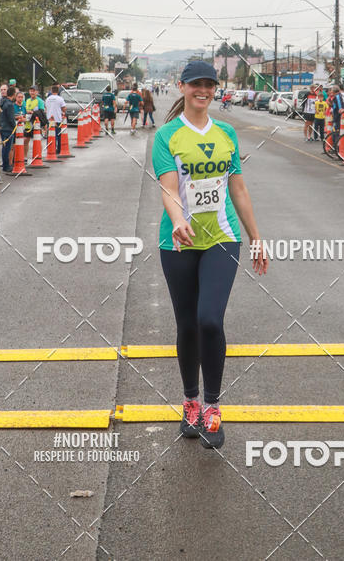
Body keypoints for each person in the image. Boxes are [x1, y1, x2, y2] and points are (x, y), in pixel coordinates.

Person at [152, 61, 267, 449]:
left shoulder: (227, 133)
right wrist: (179, 219)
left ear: (215, 89)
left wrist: (256, 237)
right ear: (182, 87)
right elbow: (169, 189)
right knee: (186, 325)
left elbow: (238, 190)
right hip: (178, 242)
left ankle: (213, 406)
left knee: (210, 321)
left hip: (222, 237)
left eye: (210, 85)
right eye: (196, 84)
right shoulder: (167, 135)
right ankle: (190, 403)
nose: (203, 90)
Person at [24, 86, 46, 159]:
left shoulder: (40, 101)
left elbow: (42, 111)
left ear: (37, 92)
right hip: (28, 123)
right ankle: (25, 157)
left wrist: (33, 112)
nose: (32, 92)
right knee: (26, 140)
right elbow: (25, 110)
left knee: (37, 140)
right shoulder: (27, 100)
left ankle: (39, 155)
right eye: (31, 91)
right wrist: (27, 112)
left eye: (33, 91)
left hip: (36, 124)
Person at [0, 85, 18, 172]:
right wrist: (15, 127)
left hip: (3, 127)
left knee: (4, 148)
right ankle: (7, 166)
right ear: (13, 94)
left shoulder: (3, 102)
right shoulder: (10, 104)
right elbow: (11, 118)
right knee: (7, 148)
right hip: (8, 129)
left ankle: (5, 164)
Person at [45, 84, 66, 154]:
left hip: (49, 120)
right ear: (58, 91)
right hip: (57, 119)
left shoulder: (48, 99)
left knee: (50, 135)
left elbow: (46, 108)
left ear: (51, 91)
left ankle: (50, 148)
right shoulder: (60, 99)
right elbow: (64, 108)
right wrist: (62, 112)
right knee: (58, 135)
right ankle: (58, 149)